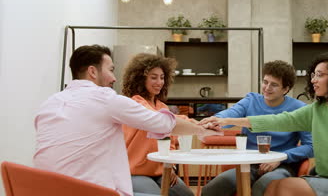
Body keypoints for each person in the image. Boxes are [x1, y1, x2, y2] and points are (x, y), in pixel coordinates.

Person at [201, 52, 328, 196]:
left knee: (281, 187)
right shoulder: (317, 109)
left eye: (319, 75)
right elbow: (278, 120)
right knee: (274, 188)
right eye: (313, 75)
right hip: (323, 178)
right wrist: (227, 120)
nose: (313, 80)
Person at [34, 45, 220, 196]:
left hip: (44, 188)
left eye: (162, 77)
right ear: (92, 71)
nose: (114, 78)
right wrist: (203, 129)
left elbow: (168, 122)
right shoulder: (107, 99)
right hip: (98, 187)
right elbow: (163, 123)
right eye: (111, 70)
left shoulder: (49, 104)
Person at [200, 60, 314, 196]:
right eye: (265, 82)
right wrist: (217, 120)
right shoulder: (251, 100)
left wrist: (282, 158)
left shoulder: (300, 109)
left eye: (274, 85)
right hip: (249, 163)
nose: (267, 88)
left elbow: (311, 146)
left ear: (286, 89)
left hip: (281, 164)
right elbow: (230, 114)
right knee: (212, 189)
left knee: (263, 186)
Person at [121, 53, 193, 196]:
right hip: (134, 172)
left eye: (162, 77)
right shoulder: (135, 103)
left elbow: (170, 140)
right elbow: (157, 118)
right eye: (153, 77)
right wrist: (196, 125)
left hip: (160, 171)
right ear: (140, 79)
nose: (159, 82)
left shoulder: (162, 106)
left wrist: (170, 166)